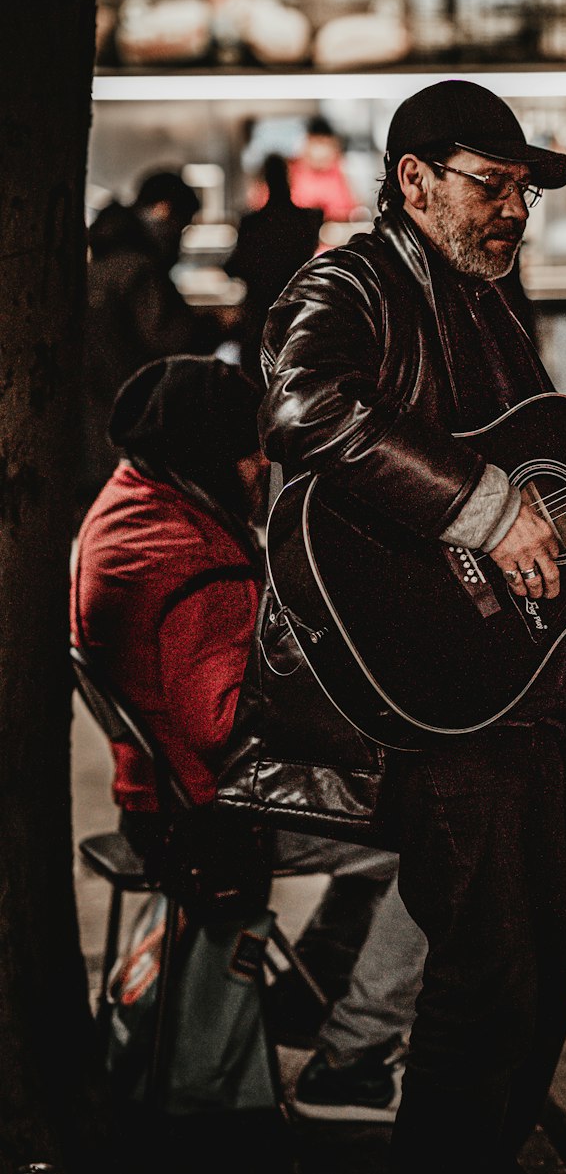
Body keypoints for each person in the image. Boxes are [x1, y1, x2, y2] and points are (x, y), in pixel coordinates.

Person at [221, 79, 566, 1171]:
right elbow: (301, 406)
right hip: (439, 697)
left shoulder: (494, 303)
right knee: (491, 985)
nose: (512, 211)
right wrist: (478, 501)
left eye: (523, 191)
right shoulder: (354, 280)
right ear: (412, 182)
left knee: (544, 966)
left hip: (526, 691)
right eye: (489, 185)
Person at [71, 355, 428, 1122]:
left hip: (155, 791)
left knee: (396, 813)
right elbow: (229, 729)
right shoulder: (191, 560)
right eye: (250, 449)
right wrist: (345, 698)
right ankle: (353, 1061)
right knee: (439, 838)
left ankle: (315, 991)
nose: (263, 463)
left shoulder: (128, 500)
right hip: (205, 816)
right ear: (206, 456)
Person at [80, 170, 217, 511]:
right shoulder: (139, 268)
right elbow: (170, 338)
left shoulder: (100, 260)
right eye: (182, 225)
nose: (180, 238)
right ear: (164, 210)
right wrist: (215, 327)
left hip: (94, 415)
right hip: (125, 415)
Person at [226, 153, 323, 381]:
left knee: (253, 386)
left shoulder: (251, 223)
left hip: (257, 318)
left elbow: (234, 267)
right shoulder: (310, 219)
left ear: (264, 180)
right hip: (298, 315)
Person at [287, 114, 360, 221]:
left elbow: (352, 209)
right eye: (318, 142)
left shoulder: (338, 172)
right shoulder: (291, 171)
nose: (321, 151)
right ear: (307, 143)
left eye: (326, 143)